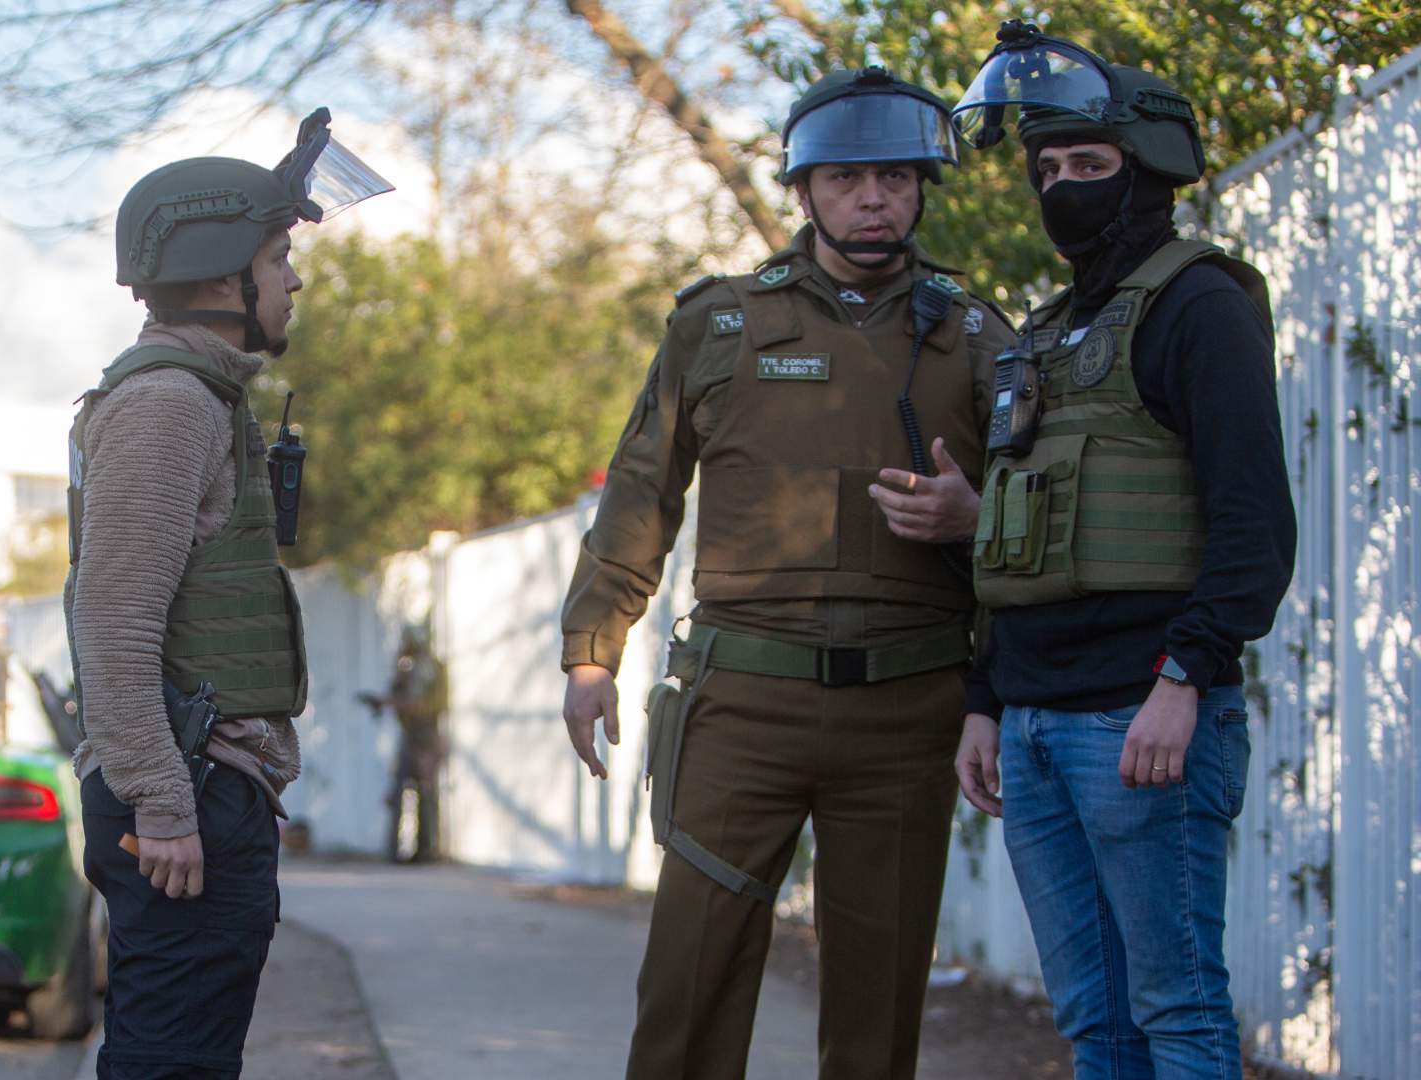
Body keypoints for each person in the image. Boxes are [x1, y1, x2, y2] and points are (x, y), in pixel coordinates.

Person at [559, 66, 1015, 1080]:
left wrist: (973, 521)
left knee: (879, 1002)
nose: (872, 200)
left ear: (921, 190)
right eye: (847, 178)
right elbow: (642, 491)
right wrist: (592, 651)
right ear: (803, 191)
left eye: (895, 179)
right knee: (687, 986)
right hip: (743, 705)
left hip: (908, 711)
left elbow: (1036, 520)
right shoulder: (715, 327)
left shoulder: (977, 339)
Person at [949, 22, 1295, 1079]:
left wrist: (1185, 676)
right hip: (1040, 719)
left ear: (1149, 174)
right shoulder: (1048, 331)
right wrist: (985, 698)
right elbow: (1022, 532)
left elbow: (1255, 525)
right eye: (1046, 169)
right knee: (1094, 1020)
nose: (1062, 188)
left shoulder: (1199, 306)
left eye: (1087, 166)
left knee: (1177, 1012)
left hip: (1140, 715)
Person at [63, 109, 390, 1079]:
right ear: (220, 275)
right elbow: (113, 625)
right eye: (279, 256)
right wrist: (165, 805)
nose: (292, 279)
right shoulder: (166, 407)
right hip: (184, 799)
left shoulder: (198, 398)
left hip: (208, 789)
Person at [357, 624, 448, 862]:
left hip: (426, 735)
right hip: (410, 736)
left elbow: (422, 705)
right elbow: (396, 693)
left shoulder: (431, 668)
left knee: (426, 793)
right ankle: (397, 851)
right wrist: (383, 701)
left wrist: (391, 702)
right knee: (399, 791)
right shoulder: (407, 667)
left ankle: (426, 850)